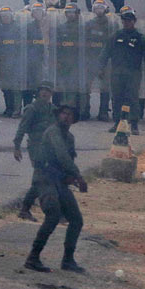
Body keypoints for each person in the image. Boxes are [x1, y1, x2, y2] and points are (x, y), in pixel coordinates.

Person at [23, 105, 88, 273]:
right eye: (64, 113)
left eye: (70, 115)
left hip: (59, 181)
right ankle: (33, 257)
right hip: (44, 178)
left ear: (74, 120)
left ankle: (68, 260)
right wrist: (78, 176)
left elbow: (68, 159)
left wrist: (71, 177)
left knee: (76, 219)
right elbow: (62, 155)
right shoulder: (53, 131)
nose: (66, 117)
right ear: (58, 115)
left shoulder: (70, 137)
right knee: (52, 214)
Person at [99, 9, 145, 133]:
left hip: (133, 73)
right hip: (117, 72)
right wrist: (100, 68)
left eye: (129, 21)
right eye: (124, 21)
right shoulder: (116, 36)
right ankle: (117, 122)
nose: (126, 23)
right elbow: (105, 53)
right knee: (116, 98)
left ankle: (134, 124)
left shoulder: (140, 38)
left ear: (134, 21)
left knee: (132, 98)